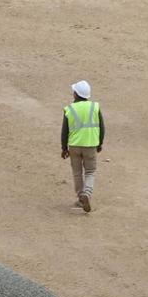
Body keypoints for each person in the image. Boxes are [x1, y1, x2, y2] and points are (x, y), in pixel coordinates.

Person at [60, 79, 104, 213]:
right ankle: (88, 193)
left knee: (77, 173)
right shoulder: (95, 107)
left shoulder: (69, 109)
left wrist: (64, 148)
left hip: (74, 145)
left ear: (75, 94)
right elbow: (102, 127)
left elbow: (64, 130)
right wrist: (100, 143)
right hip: (90, 144)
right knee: (90, 171)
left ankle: (80, 198)